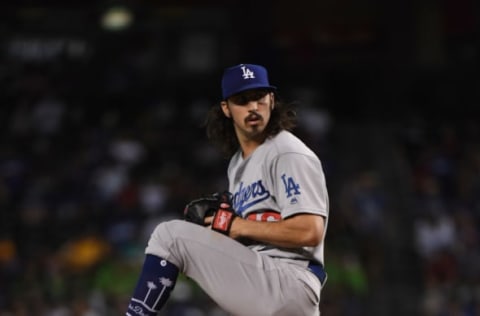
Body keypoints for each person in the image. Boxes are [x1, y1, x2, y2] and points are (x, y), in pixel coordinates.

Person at [125, 63, 329, 316]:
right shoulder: (237, 164)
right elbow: (252, 233)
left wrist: (237, 226)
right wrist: (225, 233)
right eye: (242, 100)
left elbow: (309, 231)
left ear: (272, 100)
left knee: (169, 236)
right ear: (226, 109)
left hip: (289, 281)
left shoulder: (287, 152)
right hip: (264, 281)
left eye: (259, 98)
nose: (253, 106)